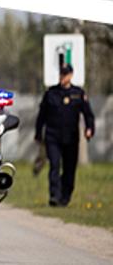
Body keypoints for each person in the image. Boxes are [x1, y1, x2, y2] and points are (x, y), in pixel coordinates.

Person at [35, 64, 95, 207]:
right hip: (53, 136)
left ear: (71, 75)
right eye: (61, 74)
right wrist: (38, 133)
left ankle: (65, 196)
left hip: (71, 137)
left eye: (65, 74)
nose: (63, 77)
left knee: (69, 168)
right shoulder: (51, 93)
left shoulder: (78, 93)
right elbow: (41, 116)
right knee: (54, 165)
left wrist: (89, 129)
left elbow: (88, 115)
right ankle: (54, 195)